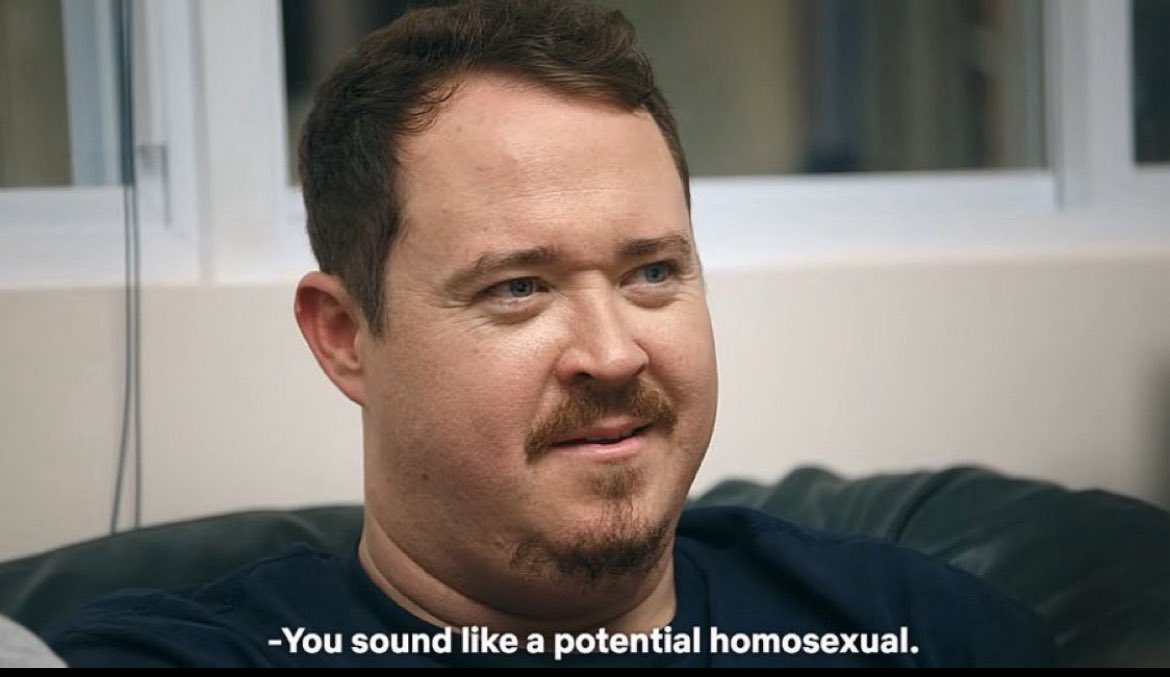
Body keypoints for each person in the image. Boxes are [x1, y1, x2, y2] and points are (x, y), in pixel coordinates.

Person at [44, 0, 1062, 667]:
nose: (613, 353)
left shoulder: (912, 627)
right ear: (346, 336)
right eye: (520, 288)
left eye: (652, 271)